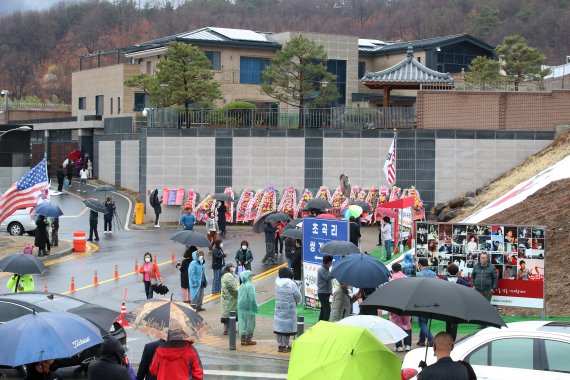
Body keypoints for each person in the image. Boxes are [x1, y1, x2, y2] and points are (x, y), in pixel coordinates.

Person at [274, 267, 301, 352]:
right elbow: (297, 296)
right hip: (289, 309)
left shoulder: (277, 283)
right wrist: (297, 302)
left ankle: (280, 345)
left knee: (279, 326)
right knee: (287, 327)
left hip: (278, 308)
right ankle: (286, 345)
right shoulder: (291, 283)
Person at [443, 263, 470, 341]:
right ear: (457, 271)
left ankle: (448, 338)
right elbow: (468, 285)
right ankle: (453, 340)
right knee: (455, 322)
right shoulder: (460, 280)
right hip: (457, 304)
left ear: (448, 271)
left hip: (447, 303)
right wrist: (463, 277)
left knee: (447, 322)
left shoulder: (444, 280)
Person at [390, 262, 413, 352]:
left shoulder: (391, 280)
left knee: (396, 325)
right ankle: (408, 345)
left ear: (392, 270)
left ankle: (398, 346)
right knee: (407, 324)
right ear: (401, 269)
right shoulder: (407, 279)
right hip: (406, 304)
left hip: (394, 305)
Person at [416, 258, 436, 347]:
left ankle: (431, 339)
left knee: (421, 322)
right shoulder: (433, 274)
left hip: (421, 299)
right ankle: (421, 340)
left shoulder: (418, 274)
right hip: (431, 299)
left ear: (420, 265)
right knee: (424, 321)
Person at [238, 270, 258, 346]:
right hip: (248, 307)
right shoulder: (250, 286)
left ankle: (242, 339)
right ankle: (248, 340)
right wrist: (254, 308)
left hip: (241, 307)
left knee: (242, 322)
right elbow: (252, 298)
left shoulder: (241, 286)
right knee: (250, 323)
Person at [221, 262, 238, 335]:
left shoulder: (225, 275)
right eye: (232, 267)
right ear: (229, 268)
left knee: (227, 314)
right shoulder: (228, 275)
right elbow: (231, 287)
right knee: (231, 313)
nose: (233, 268)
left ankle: (227, 329)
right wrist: (237, 293)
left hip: (227, 298)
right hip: (230, 298)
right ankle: (230, 330)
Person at [317, 254, 334, 321]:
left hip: (324, 293)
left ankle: (320, 324)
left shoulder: (325, 269)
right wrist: (334, 272)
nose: (331, 263)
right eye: (331, 262)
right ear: (329, 262)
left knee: (323, 310)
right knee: (327, 310)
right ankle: (324, 324)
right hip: (322, 293)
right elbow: (328, 277)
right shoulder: (322, 269)